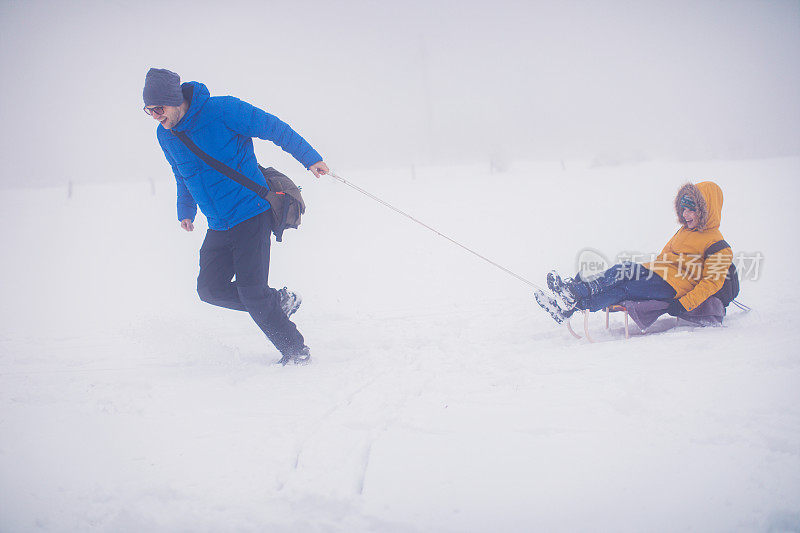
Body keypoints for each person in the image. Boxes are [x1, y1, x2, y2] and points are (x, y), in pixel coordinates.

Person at [143, 68, 329, 365]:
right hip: (219, 223)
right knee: (209, 289)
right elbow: (181, 173)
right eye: (148, 110)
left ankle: (296, 351)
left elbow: (274, 128)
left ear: (174, 100)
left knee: (252, 292)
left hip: (251, 212)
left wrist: (310, 158)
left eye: (158, 108)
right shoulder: (165, 136)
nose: (155, 116)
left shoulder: (222, 110)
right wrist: (186, 210)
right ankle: (278, 301)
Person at [536, 181, 733, 325]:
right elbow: (665, 256)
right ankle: (572, 297)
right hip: (661, 273)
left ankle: (575, 301)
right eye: (683, 209)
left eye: (691, 210)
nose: (685, 215)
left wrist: (683, 304)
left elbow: (711, 283)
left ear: (707, 210)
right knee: (623, 270)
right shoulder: (684, 231)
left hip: (676, 285)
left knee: (625, 290)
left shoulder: (719, 246)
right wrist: (647, 270)